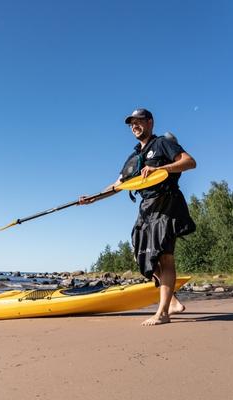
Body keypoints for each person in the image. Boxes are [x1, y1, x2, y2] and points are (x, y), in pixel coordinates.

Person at [80, 108, 196, 326]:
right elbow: (118, 185)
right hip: (146, 209)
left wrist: (161, 168)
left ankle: (163, 313)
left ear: (150, 122)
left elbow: (189, 162)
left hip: (166, 203)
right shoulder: (133, 158)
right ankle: (172, 302)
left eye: (139, 121)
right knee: (143, 257)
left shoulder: (162, 143)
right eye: (131, 123)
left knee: (164, 256)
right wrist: (93, 198)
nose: (134, 126)